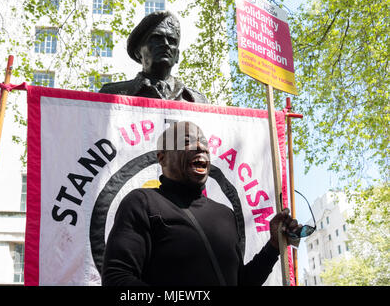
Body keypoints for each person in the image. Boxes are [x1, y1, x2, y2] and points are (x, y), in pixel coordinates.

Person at [102, 121, 301, 286]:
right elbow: (117, 279)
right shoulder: (142, 203)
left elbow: (240, 283)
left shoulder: (226, 215)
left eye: (204, 142)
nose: (201, 147)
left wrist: (273, 246)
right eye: (187, 141)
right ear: (162, 158)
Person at [99, 11, 208, 104]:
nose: (166, 44)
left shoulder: (197, 101)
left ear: (177, 56)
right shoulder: (111, 94)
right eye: (156, 38)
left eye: (172, 41)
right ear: (138, 52)